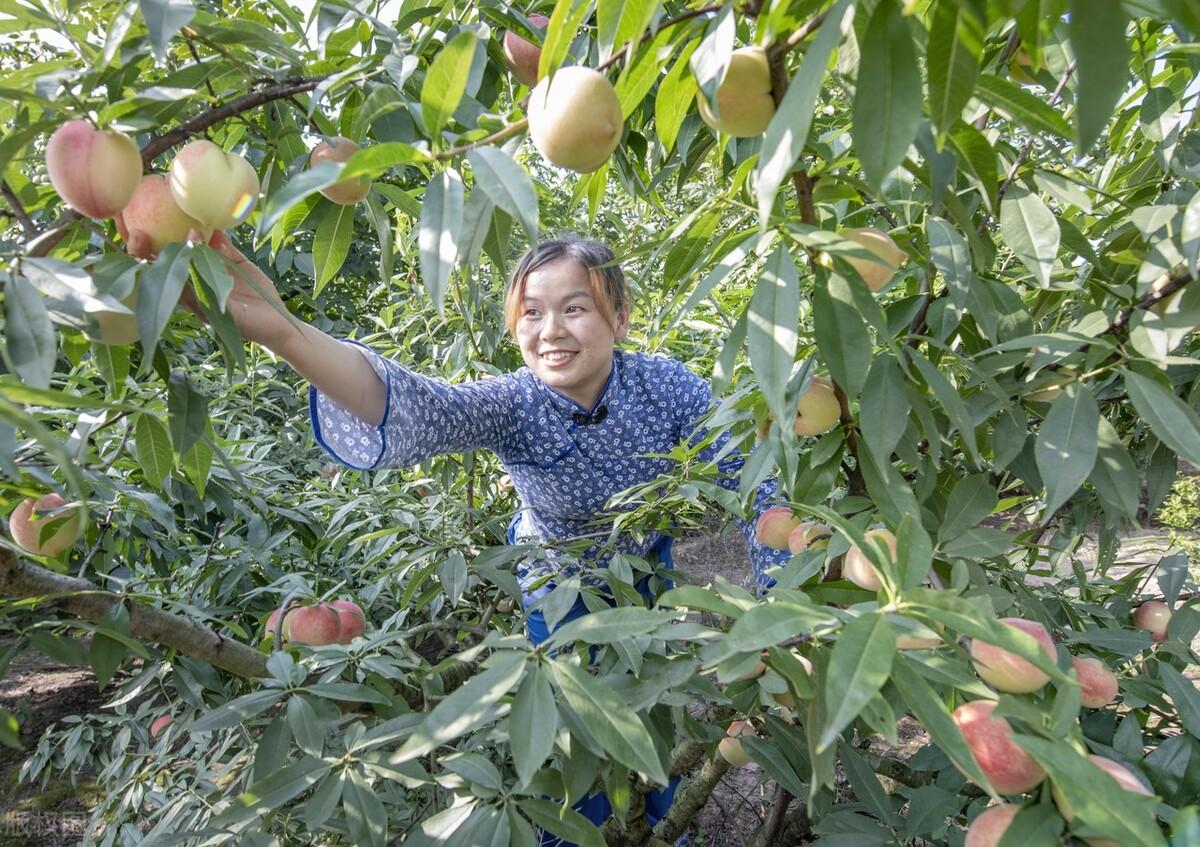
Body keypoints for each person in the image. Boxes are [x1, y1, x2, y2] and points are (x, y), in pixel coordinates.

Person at [186, 231, 791, 846]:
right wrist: (286, 333)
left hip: (644, 576)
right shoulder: (514, 402)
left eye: (575, 307)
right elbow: (418, 407)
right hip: (557, 585)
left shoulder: (667, 387)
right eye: (532, 311)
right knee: (570, 733)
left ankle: (662, 831)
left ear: (621, 317)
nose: (550, 329)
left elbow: (754, 482)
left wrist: (782, 609)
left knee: (650, 715)